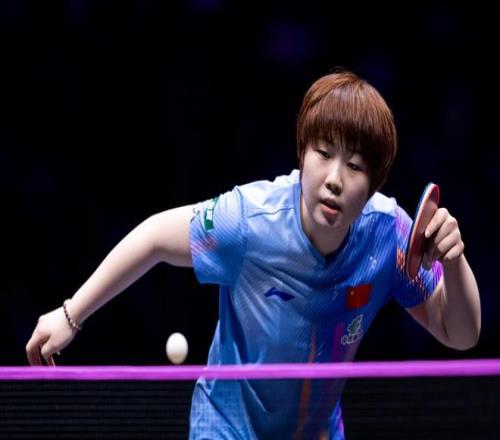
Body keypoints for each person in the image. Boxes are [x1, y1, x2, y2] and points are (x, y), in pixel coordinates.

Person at [26, 69, 481, 439]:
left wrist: (454, 261)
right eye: (323, 153)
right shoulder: (250, 220)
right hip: (226, 427)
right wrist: (71, 314)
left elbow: (460, 334)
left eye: (355, 165)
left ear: (375, 181)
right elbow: (154, 238)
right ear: (302, 153)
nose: (334, 179)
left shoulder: (388, 236)